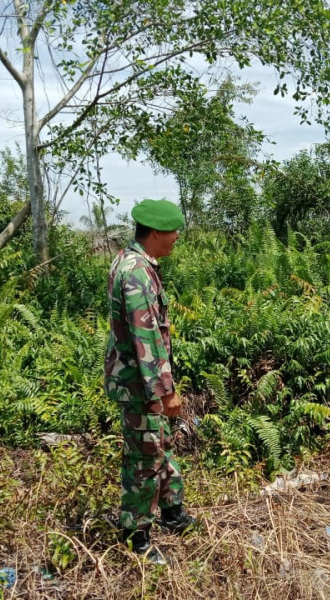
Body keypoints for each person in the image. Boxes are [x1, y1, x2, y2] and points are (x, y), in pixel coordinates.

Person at [105, 199, 195, 564]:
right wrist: (166, 391)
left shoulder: (137, 263)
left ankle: (172, 513)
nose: (176, 239)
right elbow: (146, 339)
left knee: (161, 445)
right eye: (173, 232)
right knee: (144, 459)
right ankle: (136, 536)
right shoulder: (136, 273)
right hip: (141, 384)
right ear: (156, 232)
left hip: (141, 381)